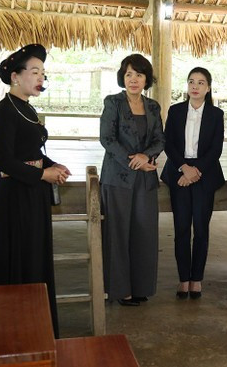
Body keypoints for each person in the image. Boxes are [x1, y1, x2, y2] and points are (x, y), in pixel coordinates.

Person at [0, 44, 71, 338]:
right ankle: (16, 333)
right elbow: (4, 160)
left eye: (42, 73)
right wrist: (41, 174)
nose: (40, 78)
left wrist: (53, 165)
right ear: (15, 76)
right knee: (20, 260)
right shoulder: (3, 111)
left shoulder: (27, 107)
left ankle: (39, 329)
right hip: (16, 198)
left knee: (37, 258)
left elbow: (32, 150)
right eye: (34, 72)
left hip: (34, 193)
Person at [99, 53, 165, 306]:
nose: (133, 79)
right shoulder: (113, 102)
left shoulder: (152, 106)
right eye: (129, 74)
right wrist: (133, 160)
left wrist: (145, 156)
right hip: (118, 178)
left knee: (144, 232)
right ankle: (120, 289)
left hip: (145, 177)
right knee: (118, 233)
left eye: (139, 74)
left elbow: (160, 139)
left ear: (146, 79)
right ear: (122, 78)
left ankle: (140, 287)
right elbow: (107, 138)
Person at [161, 67, 225, 300]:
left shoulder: (216, 114)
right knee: (180, 229)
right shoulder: (176, 111)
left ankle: (196, 278)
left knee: (201, 228)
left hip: (204, 175)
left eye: (200, 82)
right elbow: (169, 144)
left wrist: (196, 170)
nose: (195, 86)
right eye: (191, 82)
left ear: (208, 87)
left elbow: (216, 149)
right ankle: (183, 279)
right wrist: (184, 168)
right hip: (179, 173)